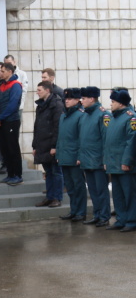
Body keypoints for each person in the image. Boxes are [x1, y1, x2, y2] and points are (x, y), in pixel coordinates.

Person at [102, 89, 136, 232]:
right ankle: (121, 219)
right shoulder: (114, 118)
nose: (111, 104)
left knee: (129, 194)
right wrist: (106, 160)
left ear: (121, 103)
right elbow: (108, 142)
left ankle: (132, 220)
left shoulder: (130, 118)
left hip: (124, 165)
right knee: (117, 194)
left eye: (113, 101)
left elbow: (131, 142)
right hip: (113, 163)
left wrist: (127, 161)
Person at [77, 86, 111, 227]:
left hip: (98, 160)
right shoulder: (85, 115)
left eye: (84, 98)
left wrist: (105, 160)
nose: (81, 100)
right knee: (92, 190)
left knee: (101, 190)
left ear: (92, 99)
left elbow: (106, 139)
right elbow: (81, 139)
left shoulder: (103, 115)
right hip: (87, 159)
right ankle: (97, 215)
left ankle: (104, 216)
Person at [56, 88, 88, 222]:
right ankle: (74, 210)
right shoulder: (63, 115)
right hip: (64, 156)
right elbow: (60, 137)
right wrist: (58, 153)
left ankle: (81, 212)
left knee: (78, 186)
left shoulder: (81, 115)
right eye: (65, 99)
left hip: (75, 158)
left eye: (69, 99)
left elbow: (82, 138)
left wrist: (80, 156)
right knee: (70, 186)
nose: (66, 101)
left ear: (77, 100)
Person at [31, 82, 64, 208]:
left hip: (51, 145)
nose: (37, 92)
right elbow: (37, 126)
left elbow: (57, 127)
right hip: (42, 144)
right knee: (48, 172)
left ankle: (57, 197)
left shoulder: (56, 105)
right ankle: (49, 197)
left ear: (47, 90)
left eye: (39, 90)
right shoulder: (41, 105)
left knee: (56, 172)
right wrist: (35, 146)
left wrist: (54, 146)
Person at [0, 63, 24, 186]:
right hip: (2, 121)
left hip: (11, 121)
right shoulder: (2, 85)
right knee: (5, 148)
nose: (0, 73)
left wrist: (0, 117)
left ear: (10, 72)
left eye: (3, 71)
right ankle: (10, 174)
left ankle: (17, 175)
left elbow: (13, 105)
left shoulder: (16, 85)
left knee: (13, 148)